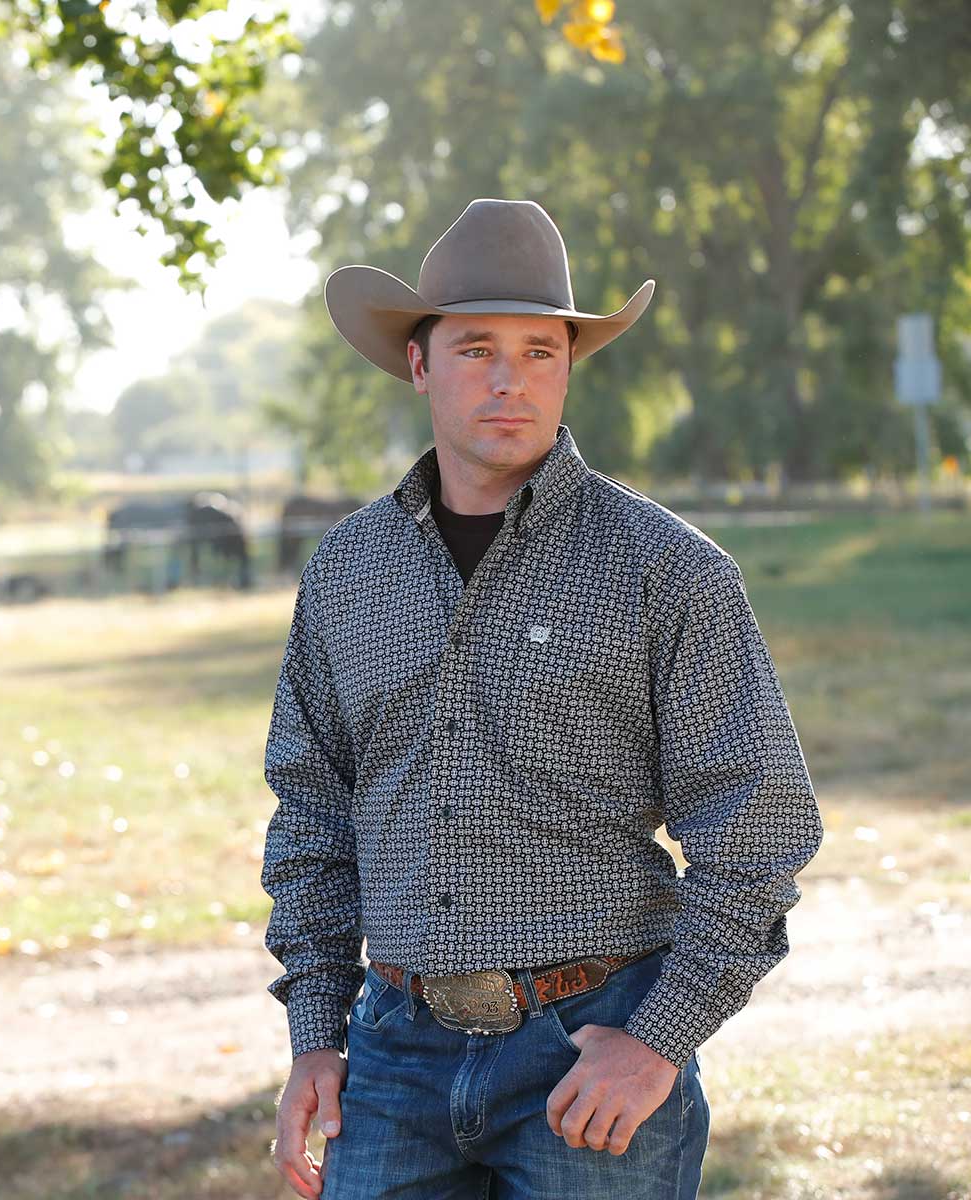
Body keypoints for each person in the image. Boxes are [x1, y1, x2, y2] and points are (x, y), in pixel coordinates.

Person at [259, 198, 824, 1199]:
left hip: (592, 1056)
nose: (511, 378)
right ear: (418, 364)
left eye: (541, 349)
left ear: (570, 367)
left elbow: (760, 830)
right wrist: (314, 1034)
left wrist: (659, 1043)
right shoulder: (346, 573)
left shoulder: (669, 572)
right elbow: (311, 820)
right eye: (476, 348)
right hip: (390, 1058)